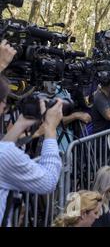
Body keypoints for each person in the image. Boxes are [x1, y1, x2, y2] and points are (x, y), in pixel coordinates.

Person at [0, 95, 63, 224]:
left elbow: (3, 148)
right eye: (4, 104)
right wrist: (50, 128)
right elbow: (49, 180)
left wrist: (21, 124)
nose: (5, 110)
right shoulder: (6, 155)